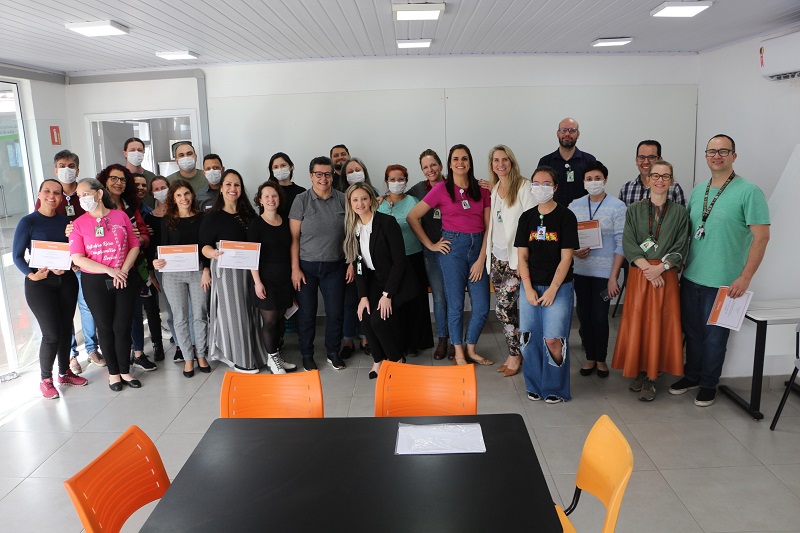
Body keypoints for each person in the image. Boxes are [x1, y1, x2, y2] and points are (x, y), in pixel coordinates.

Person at [670, 135, 770, 407]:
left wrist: (745, 277)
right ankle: (692, 376)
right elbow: (690, 232)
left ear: (734, 156)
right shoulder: (698, 191)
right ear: (706, 156)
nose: (717, 156)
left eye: (723, 151)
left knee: (715, 339)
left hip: (725, 283)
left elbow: (761, 238)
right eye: (711, 151)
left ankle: (708, 384)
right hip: (691, 276)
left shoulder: (749, 192)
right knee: (692, 333)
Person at [407, 144, 493, 366]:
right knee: (455, 305)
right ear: (450, 163)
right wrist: (431, 245)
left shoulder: (482, 189)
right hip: (452, 249)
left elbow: (489, 227)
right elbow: (412, 217)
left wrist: (482, 258)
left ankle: (471, 348)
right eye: (456, 159)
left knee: (482, 306)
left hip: (478, 249)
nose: (460, 162)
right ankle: (459, 353)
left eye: (464, 158)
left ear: (470, 162)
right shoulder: (441, 189)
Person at [612, 161, 690, 401]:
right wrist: (648, 269)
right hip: (640, 273)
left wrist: (660, 269)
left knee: (660, 324)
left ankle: (653, 377)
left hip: (665, 276)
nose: (660, 180)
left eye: (665, 176)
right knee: (638, 322)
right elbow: (628, 242)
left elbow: (681, 246)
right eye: (655, 176)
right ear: (648, 180)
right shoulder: (634, 210)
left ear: (672, 181)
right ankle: (640, 369)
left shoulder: (680, 213)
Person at [14, 179, 88, 398]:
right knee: (51, 333)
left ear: (61, 197)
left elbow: (75, 251)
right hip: (40, 284)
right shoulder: (28, 222)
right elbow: (18, 256)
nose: (51, 196)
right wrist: (31, 274)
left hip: (66, 281)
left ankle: (64, 373)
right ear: (39, 194)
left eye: (56, 193)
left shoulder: (67, 222)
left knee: (66, 330)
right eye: (47, 191)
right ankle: (45, 380)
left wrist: (72, 262)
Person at [69, 178, 142, 391]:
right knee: (105, 327)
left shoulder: (120, 216)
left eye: (85, 194)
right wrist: (110, 270)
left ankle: (125, 370)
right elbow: (77, 258)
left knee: (122, 326)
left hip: (124, 277)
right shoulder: (78, 224)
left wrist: (123, 270)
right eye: (79, 196)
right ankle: (113, 374)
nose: (82, 199)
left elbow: (134, 245)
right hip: (95, 281)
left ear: (99, 194)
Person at [515, 166, 579, 403]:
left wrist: (553, 289)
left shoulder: (566, 216)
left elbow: (567, 257)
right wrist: (527, 288)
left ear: (555, 187)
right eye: (536, 183)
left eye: (546, 184)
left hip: (558, 288)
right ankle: (534, 384)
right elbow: (522, 256)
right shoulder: (526, 217)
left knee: (553, 338)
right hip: (530, 286)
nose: (540, 188)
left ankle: (555, 388)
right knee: (529, 338)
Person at [38, 150, 104, 374]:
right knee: (65, 312)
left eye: (71, 165)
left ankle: (92, 349)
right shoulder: (51, 195)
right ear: (55, 169)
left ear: (78, 168)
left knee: (88, 306)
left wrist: (79, 259)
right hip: (59, 265)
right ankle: (71, 355)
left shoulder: (85, 193)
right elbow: (42, 230)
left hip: (86, 261)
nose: (67, 169)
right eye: (62, 165)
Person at [345, 183, 417, 379]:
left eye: (364, 199)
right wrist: (363, 296)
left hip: (398, 282)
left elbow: (399, 262)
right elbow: (359, 264)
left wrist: (387, 295)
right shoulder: (353, 228)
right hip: (375, 281)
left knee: (377, 320)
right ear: (350, 203)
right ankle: (378, 359)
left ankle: (396, 359)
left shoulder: (387, 222)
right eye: (355, 200)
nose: (360, 203)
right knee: (364, 314)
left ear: (371, 200)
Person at [200, 170, 269, 373]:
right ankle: (241, 359)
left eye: (237, 185)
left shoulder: (249, 214)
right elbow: (203, 246)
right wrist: (212, 253)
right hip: (227, 273)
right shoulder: (212, 217)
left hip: (251, 271)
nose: (232, 188)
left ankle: (257, 356)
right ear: (221, 189)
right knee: (235, 315)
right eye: (228, 184)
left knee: (252, 313)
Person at [289, 156, 350, 371]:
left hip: (335, 266)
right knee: (307, 314)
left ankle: (333, 352)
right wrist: (295, 269)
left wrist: (352, 263)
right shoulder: (301, 200)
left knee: (335, 313)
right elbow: (294, 238)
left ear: (333, 176)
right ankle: (307, 354)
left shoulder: (343, 199)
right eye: (318, 174)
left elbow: (351, 235)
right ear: (311, 176)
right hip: (306, 268)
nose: (323, 178)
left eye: (327, 174)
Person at [96, 165, 157, 372]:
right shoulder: (95, 207)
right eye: (114, 178)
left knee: (134, 313)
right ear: (104, 181)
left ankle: (138, 353)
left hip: (132, 268)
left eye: (122, 179)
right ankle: (117, 359)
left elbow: (144, 235)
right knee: (109, 319)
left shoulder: (130, 207)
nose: (118, 183)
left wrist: (140, 238)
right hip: (105, 268)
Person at [568, 161, 626, 378]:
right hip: (581, 272)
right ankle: (590, 357)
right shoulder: (575, 205)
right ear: (583, 182)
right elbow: (567, 238)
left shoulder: (617, 206)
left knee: (600, 316)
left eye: (598, 178)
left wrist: (614, 277)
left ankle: (601, 359)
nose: (593, 183)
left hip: (605, 275)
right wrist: (575, 251)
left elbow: (622, 242)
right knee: (584, 315)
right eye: (589, 179)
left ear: (605, 180)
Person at [152, 180, 211, 378]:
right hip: (172, 274)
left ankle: (201, 354)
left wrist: (206, 269)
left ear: (192, 195)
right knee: (180, 317)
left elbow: (207, 245)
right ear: (173, 199)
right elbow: (163, 247)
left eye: (186, 193)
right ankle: (188, 358)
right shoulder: (167, 220)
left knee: (200, 314)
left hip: (198, 271)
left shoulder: (202, 218)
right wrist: (157, 261)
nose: (183, 198)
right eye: (178, 195)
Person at [485, 145, 535, 377]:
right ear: (492, 165)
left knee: (503, 309)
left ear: (512, 162)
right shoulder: (495, 188)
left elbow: (532, 222)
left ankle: (516, 355)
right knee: (507, 309)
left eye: (505, 159)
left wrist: (525, 258)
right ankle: (514, 352)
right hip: (497, 257)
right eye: (496, 160)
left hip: (516, 259)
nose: (500, 164)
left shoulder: (524, 187)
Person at [377, 164, 433, 355]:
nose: (397, 183)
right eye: (392, 179)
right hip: (390, 262)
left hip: (413, 257)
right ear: (386, 182)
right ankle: (396, 342)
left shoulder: (414, 201)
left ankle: (413, 343)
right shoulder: (379, 204)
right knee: (395, 303)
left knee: (414, 302)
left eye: (401, 179)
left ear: (406, 181)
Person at [408, 149, 453, 360]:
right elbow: (399, 199)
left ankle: (456, 340)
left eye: (433, 165)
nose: (430, 170)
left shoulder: (454, 184)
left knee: (454, 297)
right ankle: (442, 339)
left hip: (455, 251)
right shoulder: (418, 189)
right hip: (432, 253)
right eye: (425, 167)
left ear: (441, 166)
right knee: (439, 297)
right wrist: (431, 245)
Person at [248, 181, 298, 374]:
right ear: (260, 200)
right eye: (266, 196)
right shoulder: (256, 224)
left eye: (274, 196)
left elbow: (291, 247)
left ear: (279, 199)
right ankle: (272, 360)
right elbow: (252, 257)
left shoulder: (286, 221)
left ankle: (275, 356)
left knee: (279, 320)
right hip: (265, 279)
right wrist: (257, 282)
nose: (271, 199)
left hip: (284, 277)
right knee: (269, 322)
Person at [339, 156, 373, 358]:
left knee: (365, 296)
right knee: (349, 300)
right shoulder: (339, 197)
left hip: (367, 260)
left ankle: (365, 338)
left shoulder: (372, 194)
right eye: (349, 171)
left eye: (357, 169)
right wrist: (351, 261)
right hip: (346, 259)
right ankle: (348, 340)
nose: (354, 174)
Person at [132, 173, 164, 361]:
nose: (141, 188)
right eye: (137, 184)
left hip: (147, 263)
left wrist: (146, 234)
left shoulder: (149, 211)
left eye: (144, 185)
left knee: (152, 307)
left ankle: (157, 344)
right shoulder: (125, 209)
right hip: (130, 264)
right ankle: (135, 349)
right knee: (134, 310)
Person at [537, 117, 596, 206]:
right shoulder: (545, 162)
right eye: (563, 130)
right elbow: (540, 191)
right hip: (553, 212)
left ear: (578, 134)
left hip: (582, 212)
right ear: (558, 134)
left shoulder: (589, 160)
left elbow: (594, 191)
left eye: (572, 130)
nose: (567, 134)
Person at [619, 140, 686, 207]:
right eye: (642, 157)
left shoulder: (674, 188)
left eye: (651, 157)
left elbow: (681, 212)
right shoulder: (626, 188)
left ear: (660, 160)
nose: (646, 162)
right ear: (636, 160)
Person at [268, 152, 306, 218]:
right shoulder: (269, 191)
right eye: (276, 167)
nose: (280, 169)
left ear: (290, 167)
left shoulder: (301, 192)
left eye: (283, 165)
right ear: (272, 170)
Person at [123, 137, 157, 208]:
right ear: (125, 153)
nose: (136, 153)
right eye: (132, 150)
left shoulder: (151, 177)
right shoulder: (121, 177)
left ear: (143, 152)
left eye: (139, 150)